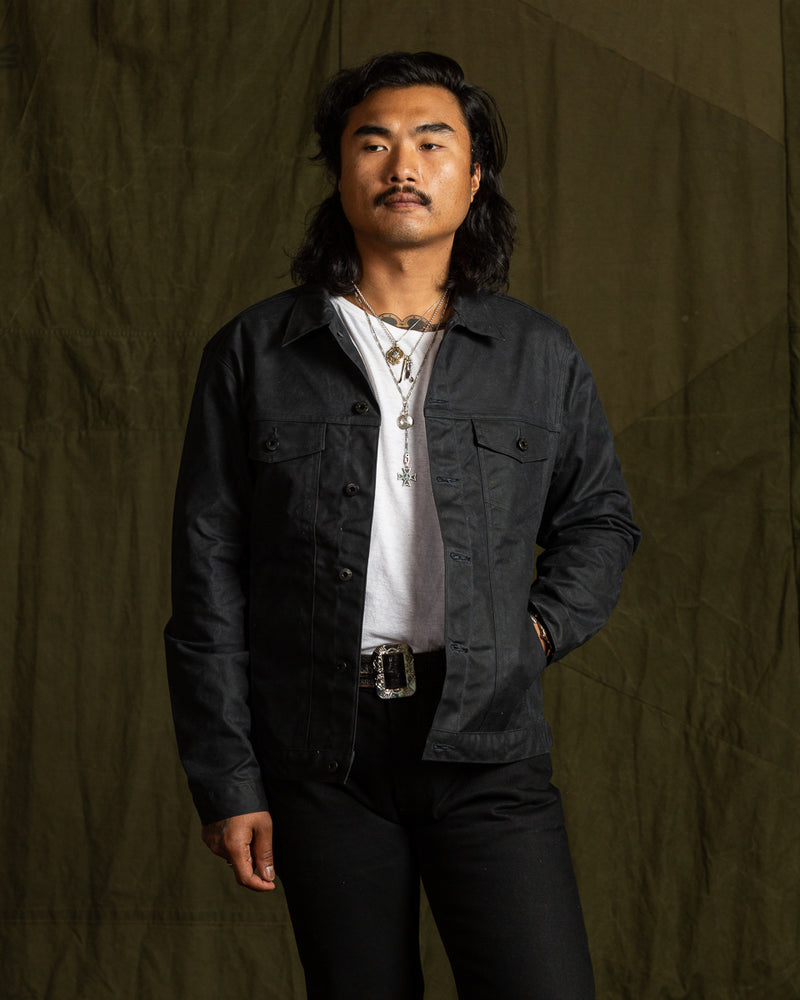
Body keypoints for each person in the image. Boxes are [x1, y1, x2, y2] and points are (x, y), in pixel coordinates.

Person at [165, 50, 640, 1000]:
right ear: (341, 172)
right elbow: (207, 572)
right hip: (321, 754)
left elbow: (599, 520)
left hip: (487, 744)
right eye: (373, 143)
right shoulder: (257, 352)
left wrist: (534, 633)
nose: (403, 166)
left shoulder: (536, 353)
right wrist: (230, 780)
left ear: (473, 176)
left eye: (432, 142)